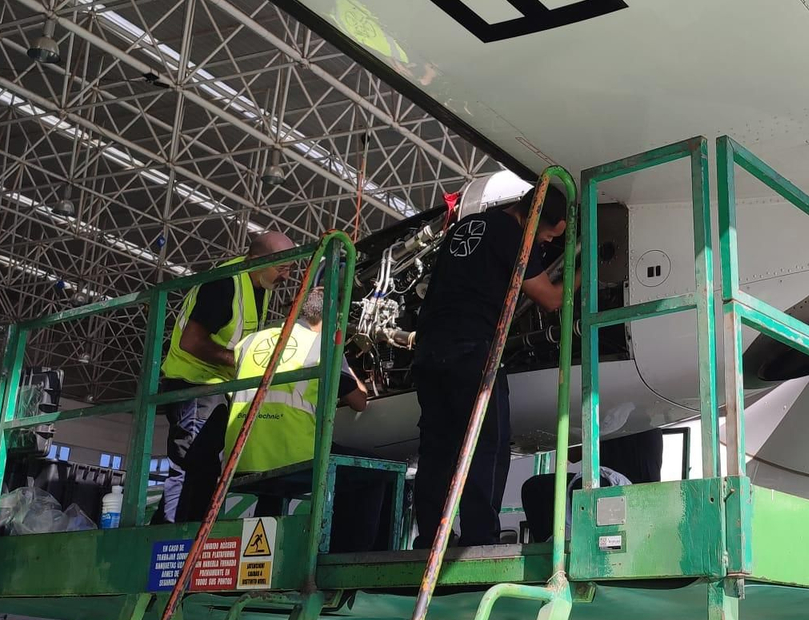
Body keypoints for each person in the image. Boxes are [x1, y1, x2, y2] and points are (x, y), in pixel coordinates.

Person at [412, 186, 568, 547]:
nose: (545, 242)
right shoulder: (514, 235)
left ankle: (432, 539)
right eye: (548, 235)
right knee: (489, 445)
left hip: (430, 349)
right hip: (472, 350)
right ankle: (480, 538)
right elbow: (549, 299)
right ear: (537, 219)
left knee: (438, 446)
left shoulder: (469, 225)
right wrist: (589, 271)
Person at [225, 289, 383, 551]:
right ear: (332, 318)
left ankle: (264, 558)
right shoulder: (320, 346)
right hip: (292, 456)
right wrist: (345, 362)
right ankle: (346, 559)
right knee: (375, 474)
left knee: (273, 492)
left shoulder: (250, 342)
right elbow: (359, 401)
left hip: (241, 458)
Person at [159, 231, 294, 524]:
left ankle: (181, 534)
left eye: (290, 267)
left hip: (218, 386)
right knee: (192, 467)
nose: (287, 275)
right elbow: (191, 342)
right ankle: (171, 541)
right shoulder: (226, 282)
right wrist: (240, 362)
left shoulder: (261, 285)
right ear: (256, 260)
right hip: (195, 385)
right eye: (281, 267)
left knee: (205, 470)